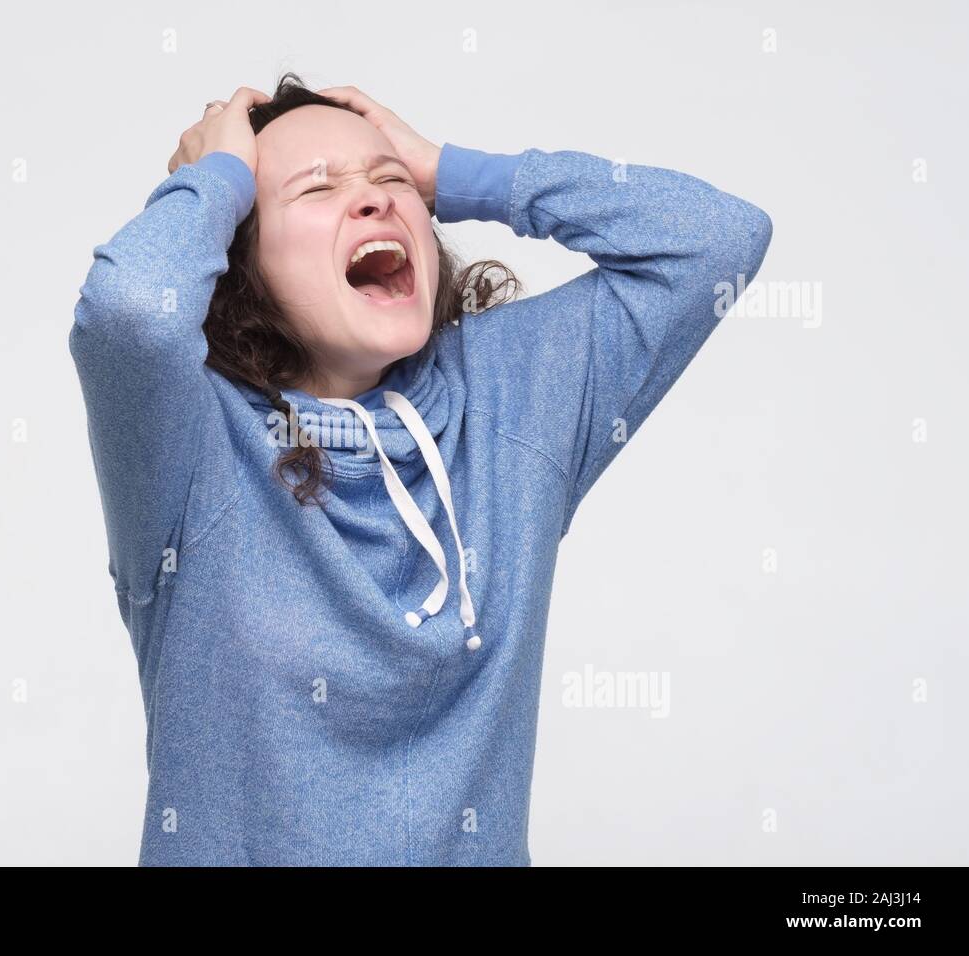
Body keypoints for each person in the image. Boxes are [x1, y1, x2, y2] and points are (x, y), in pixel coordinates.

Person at [69, 73, 773, 866]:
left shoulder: (511, 398)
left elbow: (719, 239)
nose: (373, 200)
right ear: (241, 261)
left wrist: (452, 171)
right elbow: (128, 313)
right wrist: (216, 178)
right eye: (317, 188)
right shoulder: (189, 443)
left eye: (389, 178)